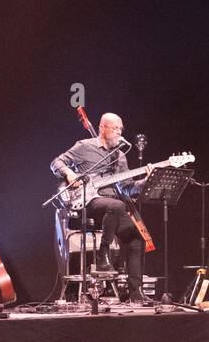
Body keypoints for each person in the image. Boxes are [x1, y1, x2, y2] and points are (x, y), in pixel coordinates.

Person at [51, 112, 148, 303]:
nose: (120, 132)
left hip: (112, 206)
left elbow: (127, 188)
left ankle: (136, 293)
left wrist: (145, 181)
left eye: (121, 129)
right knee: (117, 205)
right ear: (102, 128)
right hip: (88, 201)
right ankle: (103, 253)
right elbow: (56, 163)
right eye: (115, 128)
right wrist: (69, 173)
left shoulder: (120, 156)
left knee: (137, 239)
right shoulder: (85, 146)